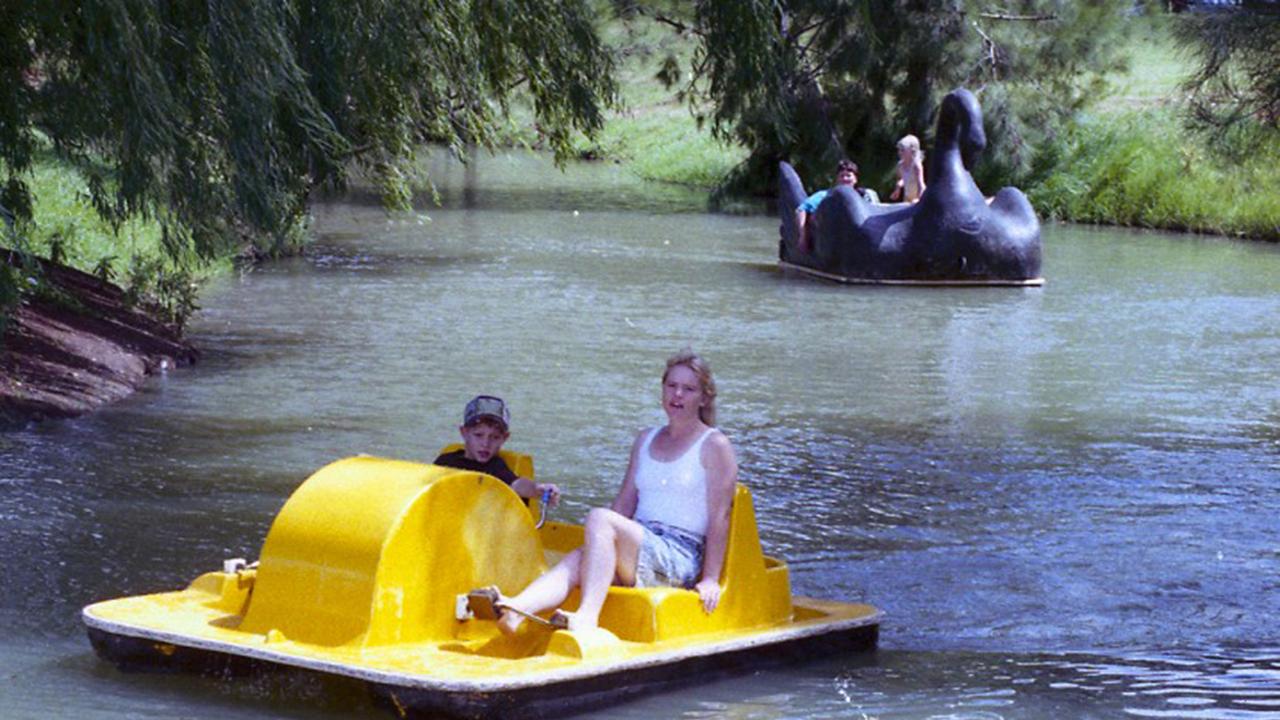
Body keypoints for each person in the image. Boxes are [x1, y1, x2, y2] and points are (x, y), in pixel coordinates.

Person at [487, 350, 739, 635]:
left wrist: (710, 579)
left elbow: (721, 517)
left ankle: (586, 617)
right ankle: (516, 610)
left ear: (704, 398)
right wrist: (597, 546)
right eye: (671, 386)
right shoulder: (645, 439)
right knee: (579, 557)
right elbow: (624, 503)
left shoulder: (715, 445)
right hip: (641, 541)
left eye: (688, 389)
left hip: (680, 554)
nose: (677, 394)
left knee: (600, 518)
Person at [434, 395, 560, 506]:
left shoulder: (495, 468)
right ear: (464, 433)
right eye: (478, 435)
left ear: (504, 438)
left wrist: (538, 489)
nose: (485, 444)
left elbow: (517, 485)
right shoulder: (445, 461)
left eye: (494, 437)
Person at [795, 159, 880, 253]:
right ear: (837, 179)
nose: (845, 179)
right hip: (833, 240)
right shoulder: (825, 195)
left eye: (848, 176)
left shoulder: (865, 196)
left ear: (855, 179)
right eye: (841, 176)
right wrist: (803, 237)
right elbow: (801, 210)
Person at [889, 134, 926, 203]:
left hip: (917, 198)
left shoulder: (916, 165)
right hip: (907, 198)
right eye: (899, 150)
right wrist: (898, 186)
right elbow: (903, 178)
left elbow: (921, 185)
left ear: (912, 151)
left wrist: (919, 200)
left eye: (903, 150)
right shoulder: (900, 165)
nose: (899, 152)